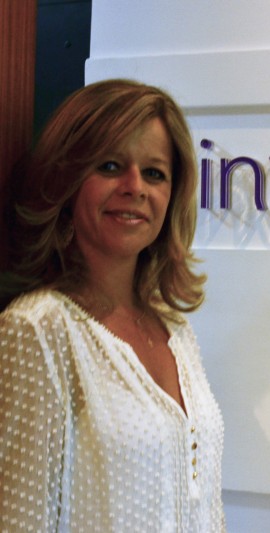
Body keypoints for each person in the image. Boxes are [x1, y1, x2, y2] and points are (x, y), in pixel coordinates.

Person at [0, 79, 225, 531]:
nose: (135, 187)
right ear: (66, 179)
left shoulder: (174, 328)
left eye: (154, 173)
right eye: (110, 166)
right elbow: (18, 521)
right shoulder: (37, 330)